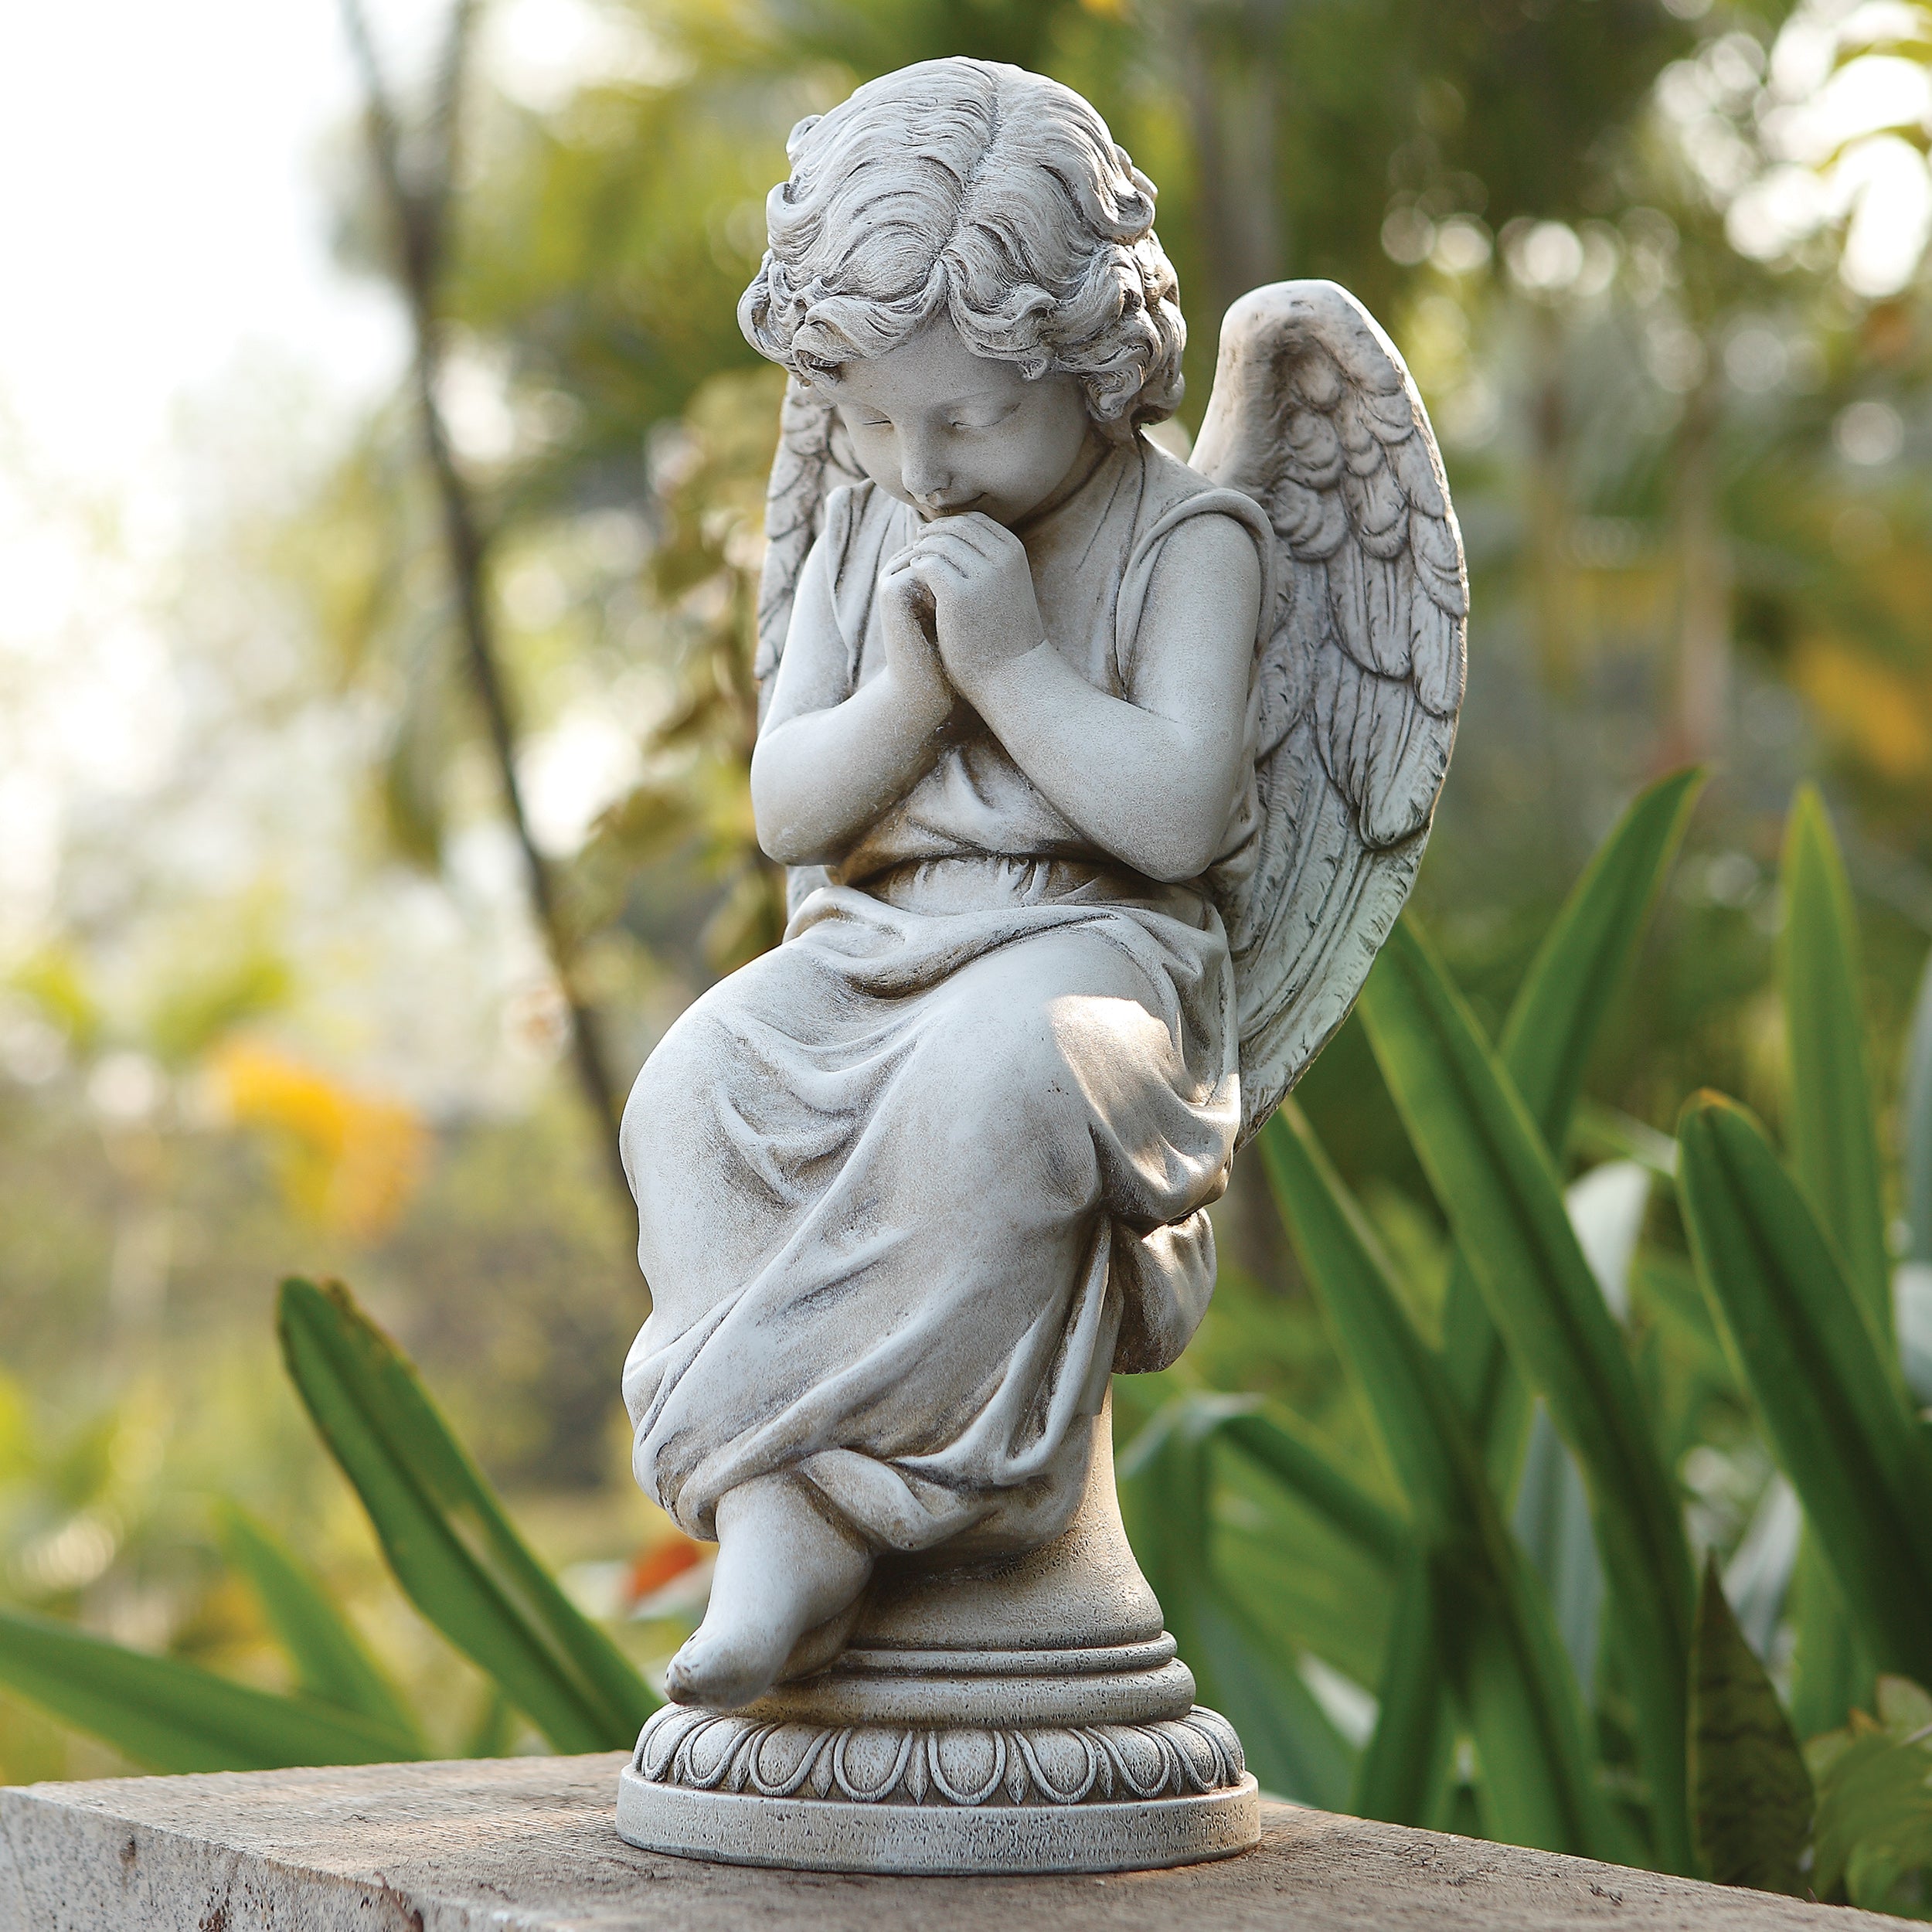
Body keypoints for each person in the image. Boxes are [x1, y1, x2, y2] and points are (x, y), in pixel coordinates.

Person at [620, 56, 1270, 1713]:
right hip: (873, 941)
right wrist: (907, 695)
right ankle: (774, 1500)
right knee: (689, 1086)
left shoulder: (1182, 540)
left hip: (1090, 947)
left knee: (991, 1077)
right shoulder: (862, 521)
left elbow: (1178, 813)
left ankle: (874, 1498)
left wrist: (1008, 661)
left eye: (967, 416)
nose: (919, 465)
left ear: (1095, 357)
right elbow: (785, 805)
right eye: (875, 416)